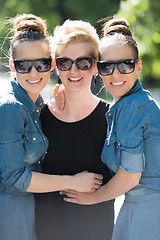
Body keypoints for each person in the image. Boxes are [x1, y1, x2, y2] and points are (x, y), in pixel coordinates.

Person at [0, 14, 103, 240]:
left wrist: (61, 92)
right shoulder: (10, 108)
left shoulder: (36, 105)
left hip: (35, 213)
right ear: (12, 66)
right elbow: (14, 178)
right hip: (12, 215)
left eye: (42, 63)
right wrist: (73, 181)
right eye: (23, 65)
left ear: (51, 65)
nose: (34, 72)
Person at [61, 18, 160, 240]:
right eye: (107, 66)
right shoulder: (130, 103)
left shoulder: (132, 107)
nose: (115, 75)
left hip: (149, 213)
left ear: (139, 66)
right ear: (98, 69)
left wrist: (90, 199)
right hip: (139, 208)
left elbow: (130, 177)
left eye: (125, 65)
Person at [34, 19, 114, 240]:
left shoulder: (112, 117)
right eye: (64, 62)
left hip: (97, 232)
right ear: (55, 65)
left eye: (83, 62)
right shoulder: (39, 115)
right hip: (44, 232)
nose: (73, 70)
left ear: (96, 66)